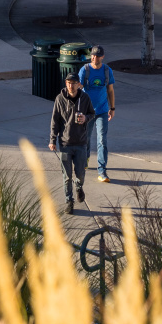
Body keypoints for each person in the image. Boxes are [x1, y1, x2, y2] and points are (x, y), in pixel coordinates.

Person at [49, 69, 95, 213]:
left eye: (74, 83)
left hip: (81, 143)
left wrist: (85, 119)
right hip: (65, 144)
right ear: (66, 84)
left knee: (80, 173)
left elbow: (92, 113)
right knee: (67, 176)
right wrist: (52, 140)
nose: (71, 86)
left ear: (79, 85)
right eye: (69, 83)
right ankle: (69, 201)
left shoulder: (85, 98)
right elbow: (55, 121)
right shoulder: (59, 99)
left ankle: (79, 187)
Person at [79, 44, 116, 182]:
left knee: (102, 141)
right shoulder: (85, 70)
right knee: (86, 139)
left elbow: (110, 90)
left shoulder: (107, 71)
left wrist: (112, 108)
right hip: (87, 112)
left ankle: (102, 171)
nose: (95, 58)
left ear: (102, 57)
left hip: (102, 110)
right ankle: (85, 159)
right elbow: (78, 88)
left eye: (97, 56)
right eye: (93, 55)